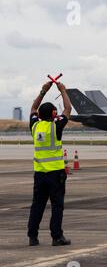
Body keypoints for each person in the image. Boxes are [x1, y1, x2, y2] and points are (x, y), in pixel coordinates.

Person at [27, 81, 72, 246]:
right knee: (57, 206)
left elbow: (32, 109)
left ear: (39, 115)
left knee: (37, 205)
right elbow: (68, 109)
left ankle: (32, 237)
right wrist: (63, 90)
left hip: (39, 174)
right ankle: (56, 237)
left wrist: (43, 91)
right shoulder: (56, 127)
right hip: (55, 174)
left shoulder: (35, 126)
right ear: (54, 114)